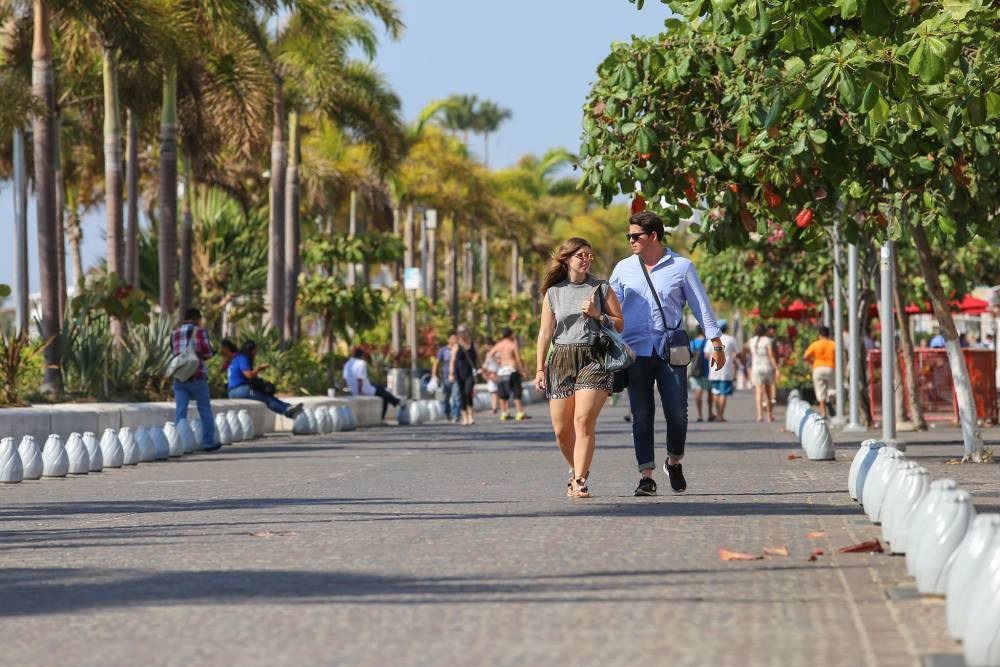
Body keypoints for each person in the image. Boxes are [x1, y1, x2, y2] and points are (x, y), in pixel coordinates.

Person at [610, 211, 724, 497]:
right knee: (641, 414)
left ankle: (673, 461)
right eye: (629, 236)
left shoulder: (682, 267)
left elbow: (701, 306)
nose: (631, 241)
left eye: (635, 236)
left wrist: (717, 343)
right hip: (634, 351)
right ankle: (646, 476)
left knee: (677, 414)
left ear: (654, 236)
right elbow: (611, 309)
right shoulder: (623, 269)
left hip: (670, 350)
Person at [535, 237, 623, 498]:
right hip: (561, 358)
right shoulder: (554, 292)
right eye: (580, 255)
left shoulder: (601, 288)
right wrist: (540, 368)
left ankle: (581, 479)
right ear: (567, 259)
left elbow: (619, 324)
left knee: (583, 421)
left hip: (594, 358)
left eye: (589, 255)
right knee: (562, 430)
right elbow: (545, 332)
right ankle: (575, 470)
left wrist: (598, 314)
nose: (586, 260)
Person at [170, 308, 218, 450]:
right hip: (197, 376)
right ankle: (208, 442)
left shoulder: (174, 333)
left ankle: (179, 443)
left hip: (179, 377)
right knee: (204, 409)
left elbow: (174, 352)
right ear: (197, 318)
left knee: (181, 411)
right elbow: (208, 352)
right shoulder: (200, 332)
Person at [228, 341, 304, 418]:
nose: (257, 352)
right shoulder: (243, 358)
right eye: (256, 350)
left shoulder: (238, 358)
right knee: (267, 399)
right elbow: (249, 375)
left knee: (267, 395)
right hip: (239, 390)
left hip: (237, 390)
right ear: (250, 350)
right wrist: (260, 368)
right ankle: (286, 411)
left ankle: (288, 407)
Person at [342, 347, 402, 421]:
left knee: (381, 388)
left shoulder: (347, 364)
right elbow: (359, 379)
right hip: (364, 389)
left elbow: (344, 379)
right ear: (361, 355)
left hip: (355, 388)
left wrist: (346, 390)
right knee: (385, 395)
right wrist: (359, 392)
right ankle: (386, 414)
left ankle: (396, 401)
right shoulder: (361, 363)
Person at [492, 327, 528, 420]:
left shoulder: (499, 345)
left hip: (502, 371)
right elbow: (518, 360)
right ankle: (520, 412)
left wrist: (498, 361)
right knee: (516, 392)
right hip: (512, 370)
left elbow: (490, 354)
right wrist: (522, 371)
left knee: (503, 393)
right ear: (510, 334)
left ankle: (504, 413)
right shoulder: (512, 345)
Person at [707, 320, 739, 423]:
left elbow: (706, 354)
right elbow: (737, 353)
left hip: (713, 370)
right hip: (726, 369)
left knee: (715, 392)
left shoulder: (711, 339)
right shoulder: (731, 339)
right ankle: (720, 415)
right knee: (723, 393)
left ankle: (718, 414)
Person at [803, 326, 837, 417]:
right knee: (831, 389)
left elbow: (805, 356)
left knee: (820, 391)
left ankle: (823, 412)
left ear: (820, 335)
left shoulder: (815, 344)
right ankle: (830, 402)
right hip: (830, 368)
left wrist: (812, 362)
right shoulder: (833, 344)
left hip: (818, 368)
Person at [749, 323, 780, 422]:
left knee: (758, 393)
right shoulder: (767, 341)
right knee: (768, 392)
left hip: (756, 368)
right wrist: (776, 369)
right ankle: (769, 415)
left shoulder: (751, 341)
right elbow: (771, 356)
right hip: (767, 367)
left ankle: (759, 415)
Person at [449, 324, 478, 426]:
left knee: (468, 392)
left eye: (464, 331)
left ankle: (471, 415)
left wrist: (479, 371)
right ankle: (465, 417)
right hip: (459, 373)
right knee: (462, 395)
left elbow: (477, 359)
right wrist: (451, 374)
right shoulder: (456, 346)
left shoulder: (473, 344)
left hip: (470, 373)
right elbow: (452, 361)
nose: (462, 334)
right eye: (460, 332)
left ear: (467, 332)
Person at [431, 333, 461, 422]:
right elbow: (436, 363)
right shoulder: (443, 350)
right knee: (445, 397)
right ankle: (447, 414)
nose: (455, 340)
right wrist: (434, 374)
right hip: (445, 377)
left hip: (457, 376)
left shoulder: (459, 349)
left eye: (456, 338)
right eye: (453, 338)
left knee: (456, 396)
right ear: (449, 340)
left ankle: (456, 415)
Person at [688, 327, 713, 422]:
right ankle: (710, 413)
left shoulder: (692, 342)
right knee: (710, 391)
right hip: (708, 369)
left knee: (698, 391)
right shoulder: (708, 342)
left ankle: (699, 414)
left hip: (696, 370)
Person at [481, 339, 501, 413]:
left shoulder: (497, 353)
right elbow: (486, 364)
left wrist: (493, 357)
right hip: (490, 374)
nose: (486, 348)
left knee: (495, 391)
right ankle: (494, 407)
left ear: (491, 345)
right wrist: (483, 371)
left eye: (487, 346)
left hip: (497, 373)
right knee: (493, 391)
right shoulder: (487, 354)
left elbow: (500, 362)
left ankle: (495, 407)